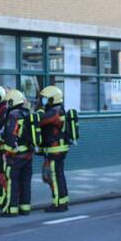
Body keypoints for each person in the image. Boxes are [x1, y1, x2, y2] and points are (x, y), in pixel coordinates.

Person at [0, 89, 35, 216]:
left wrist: (7, 154)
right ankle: (25, 208)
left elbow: (10, 136)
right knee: (25, 182)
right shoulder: (27, 113)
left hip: (16, 155)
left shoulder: (13, 115)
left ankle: (11, 209)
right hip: (28, 154)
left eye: (8, 102)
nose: (6, 105)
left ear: (12, 101)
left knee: (12, 182)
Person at [38, 85, 70, 213]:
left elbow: (39, 121)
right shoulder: (58, 110)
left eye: (45, 99)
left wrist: (38, 110)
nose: (43, 101)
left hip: (55, 150)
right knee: (56, 176)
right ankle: (63, 201)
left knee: (55, 177)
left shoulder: (54, 112)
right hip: (56, 149)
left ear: (52, 99)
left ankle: (58, 204)